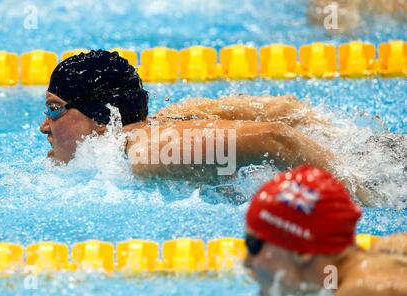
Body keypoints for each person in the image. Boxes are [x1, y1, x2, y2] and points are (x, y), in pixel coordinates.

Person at [40, 50, 368, 200]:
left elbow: (277, 139)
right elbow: (285, 109)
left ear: (104, 117)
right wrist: (343, 141)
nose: (44, 126)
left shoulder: (147, 152)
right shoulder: (166, 120)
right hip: (369, 153)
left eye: (54, 111)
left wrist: (362, 192)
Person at [244, 164, 407, 296]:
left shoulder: (361, 292)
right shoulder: (389, 249)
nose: (246, 262)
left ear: (302, 251)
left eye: (253, 245)